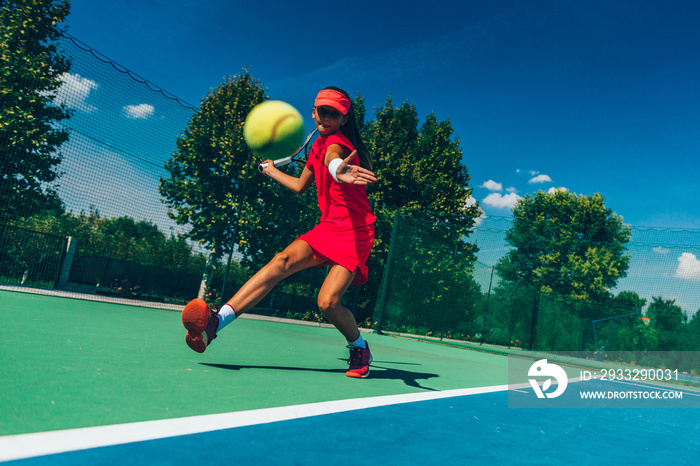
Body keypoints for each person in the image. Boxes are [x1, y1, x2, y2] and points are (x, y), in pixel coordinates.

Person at [181, 87, 378, 378]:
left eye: (334, 113)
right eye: (322, 110)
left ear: (343, 119)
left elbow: (332, 159)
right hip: (328, 226)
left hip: (354, 231)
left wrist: (338, 170)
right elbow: (301, 186)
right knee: (281, 261)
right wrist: (272, 170)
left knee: (328, 303)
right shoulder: (316, 147)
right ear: (313, 112)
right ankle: (215, 323)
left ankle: (359, 347)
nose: (326, 117)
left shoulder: (337, 143)